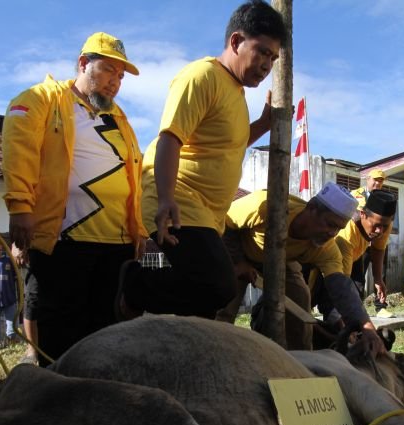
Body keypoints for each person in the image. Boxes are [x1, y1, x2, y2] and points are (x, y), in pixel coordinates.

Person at [116, 0, 287, 320]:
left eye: (274, 59)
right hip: (177, 198)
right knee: (217, 284)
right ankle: (133, 284)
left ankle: (140, 279)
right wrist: (166, 199)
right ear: (236, 42)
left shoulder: (236, 94)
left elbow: (225, 146)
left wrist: (263, 125)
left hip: (205, 214)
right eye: (263, 52)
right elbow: (171, 137)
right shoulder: (202, 76)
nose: (268, 65)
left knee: (198, 297)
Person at [3, 31, 145, 365]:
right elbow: (18, 149)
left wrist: (138, 230)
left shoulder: (119, 118)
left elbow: (134, 176)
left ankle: (97, 397)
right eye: (109, 70)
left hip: (117, 243)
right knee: (61, 332)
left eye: (121, 76)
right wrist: (20, 205)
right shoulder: (42, 99)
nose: (115, 82)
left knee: (107, 329)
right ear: (83, 64)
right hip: (63, 240)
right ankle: (58, 398)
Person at [217, 182, 386, 355]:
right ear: (311, 208)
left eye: (338, 228)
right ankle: (214, 351)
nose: (332, 233)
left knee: (300, 299)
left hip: (284, 260)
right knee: (223, 303)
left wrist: (366, 327)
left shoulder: (327, 248)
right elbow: (223, 223)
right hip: (238, 251)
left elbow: (341, 287)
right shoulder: (264, 205)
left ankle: (300, 359)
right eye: (329, 224)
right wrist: (237, 262)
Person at [315, 189, 397, 327]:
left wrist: (378, 279)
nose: (380, 231)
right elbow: (341, 286)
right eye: (376, 225)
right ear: (363, 214)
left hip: (355, 256)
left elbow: (378, 248)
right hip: (326, 264)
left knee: (357, 291)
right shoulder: (346, 235)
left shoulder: (383, 224)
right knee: (332, 303)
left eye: (385, 226)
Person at [349, 168, 387, 308]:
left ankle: (381, 306)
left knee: (380, 275)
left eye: (381, 180)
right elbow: (353, 215)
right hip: (358, 242)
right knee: (357, 277)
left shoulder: (385, 198)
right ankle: (353, 310)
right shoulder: (355, 194)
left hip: (377, 241)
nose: (377, 183)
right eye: (375, 179)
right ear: (367, 179)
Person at [11, 243, 39, 364]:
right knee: (33, 299)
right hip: (36, 251)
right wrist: (17, 244)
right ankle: (32, 350)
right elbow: (20, 225)